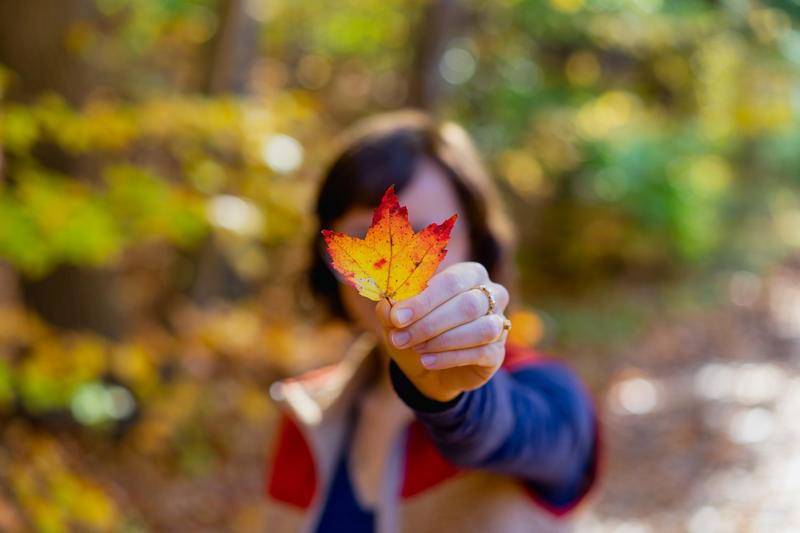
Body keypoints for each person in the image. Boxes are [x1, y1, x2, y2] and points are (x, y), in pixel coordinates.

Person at [264, 110, 598, 533]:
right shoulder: (305, 415)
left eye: (422, 232)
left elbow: (506, 430)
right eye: (358, 238)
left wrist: (451, 395)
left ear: (475, 243)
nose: (390, 265)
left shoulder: (548, 394)